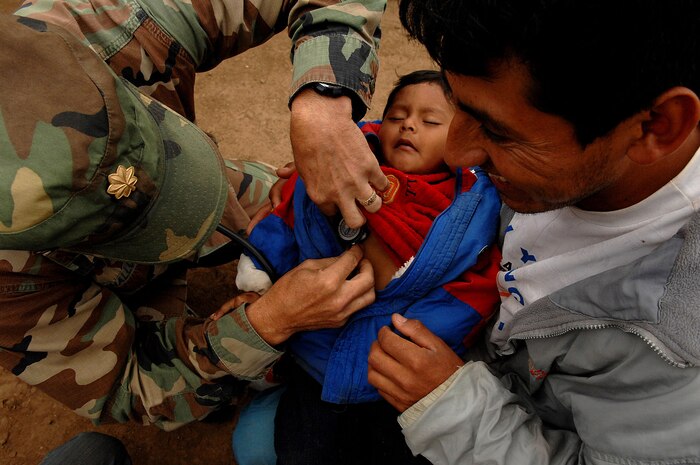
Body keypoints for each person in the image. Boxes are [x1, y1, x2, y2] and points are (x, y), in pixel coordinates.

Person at [0, 0, 385, 430]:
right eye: (126, 224)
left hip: (198, 180)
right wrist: (268, 323)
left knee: (295, 210)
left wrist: (325, 103)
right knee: (206, 388)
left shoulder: (107, 25)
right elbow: (126, 385)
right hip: (101, 293)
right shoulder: (8, 284)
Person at [366, 1, 700, 464]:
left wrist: (454, 409)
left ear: (655, 127)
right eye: (456, 103)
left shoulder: (678, 359)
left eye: (498, 133)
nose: (458, 152)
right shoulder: (558, 131)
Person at [230, 70, 501, 465]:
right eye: (397, 116)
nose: (408, 124)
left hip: (392, 376)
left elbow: (472, 292)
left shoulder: (473, 204)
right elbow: (285, 219)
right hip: (316, 365)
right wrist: (260, 273)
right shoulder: (334, 165)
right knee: (298, 452)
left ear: (460, 139)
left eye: (429, 121)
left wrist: (408, 337)